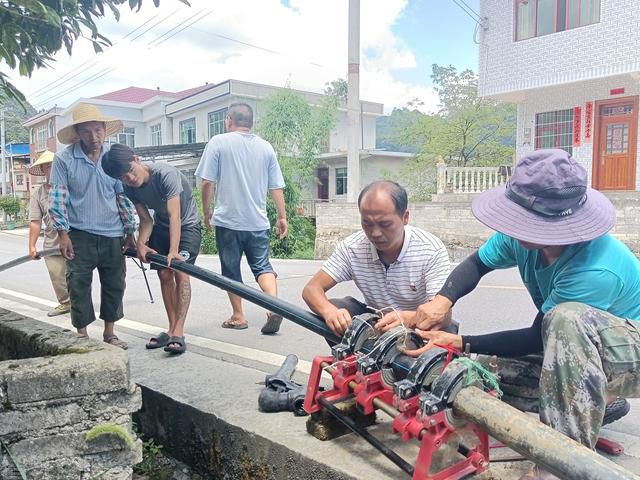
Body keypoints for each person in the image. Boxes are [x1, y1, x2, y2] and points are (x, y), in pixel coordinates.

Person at [377, 149, 640, 480]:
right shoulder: (522, 239)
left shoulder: (596, 267)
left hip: (628, 353)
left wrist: (461, 340)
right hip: (568, 351)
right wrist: (443, 299)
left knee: (565, 319)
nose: (514, 228)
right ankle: (594, 401)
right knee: (474, 375)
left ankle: (558, 469)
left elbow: (537, 335)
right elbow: (477, 263)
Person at [303, 180, 452, 337]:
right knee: (335, 309)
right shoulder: (352, 248)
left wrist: (409, 318)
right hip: (377, 324)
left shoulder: (431, 250)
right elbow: (311, 289)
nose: (375, 233)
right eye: (367, 223)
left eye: (384, 224)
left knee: (443, 337)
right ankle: (348, 359)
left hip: (418, 327)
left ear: (405, 217)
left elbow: (442, 313)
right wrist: (329, 312)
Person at [49, 104, 137, 349]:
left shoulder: (112, 159)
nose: (94, 137)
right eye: (87, 132)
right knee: (78, 283)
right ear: (77, 132)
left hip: (113, 234)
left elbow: (123, 197)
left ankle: (110, 333)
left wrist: (130, 232)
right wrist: (62, 234)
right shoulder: (64, 159)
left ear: (105, 131)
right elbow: (58, 198)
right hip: (79, 233)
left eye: (98, 130)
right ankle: (82, 335)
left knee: (114, 283)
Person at [196, 102, 288, 334]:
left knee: (231, 270)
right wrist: (282, 217)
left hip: (228, 221)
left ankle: (238, 316)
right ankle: (273, 306)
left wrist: (206, 212)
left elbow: (207, 182)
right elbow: (276, 186)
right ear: (252, 123)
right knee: (262, 266)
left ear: (229, 120)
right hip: (257, 222)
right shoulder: (266, 147)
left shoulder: (218, 142)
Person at [102, 144, 201, 355]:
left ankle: (179, 332)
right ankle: (171, 327)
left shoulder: (165, 174)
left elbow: (176, 215)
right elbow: (146, 220)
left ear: (136, 159)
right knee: (164, 274)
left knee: (180, 272)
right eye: (122, 177)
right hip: (161, 226)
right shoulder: (130, 188)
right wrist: (140, 243)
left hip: (187, 226)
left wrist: (174, 251)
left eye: (129, 170)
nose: (129, 177)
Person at [27, 150, 71, 317]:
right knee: (57, 276)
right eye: (47, 167)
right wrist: (31, 245)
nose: (51, 170)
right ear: (43, 170)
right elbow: (35, 221)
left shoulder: (69, 186)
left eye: (54, 166)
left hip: (73, 239)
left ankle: (80, 304)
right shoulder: (38, 193)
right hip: (51, 242)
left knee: (76, 276)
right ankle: (65, 303)